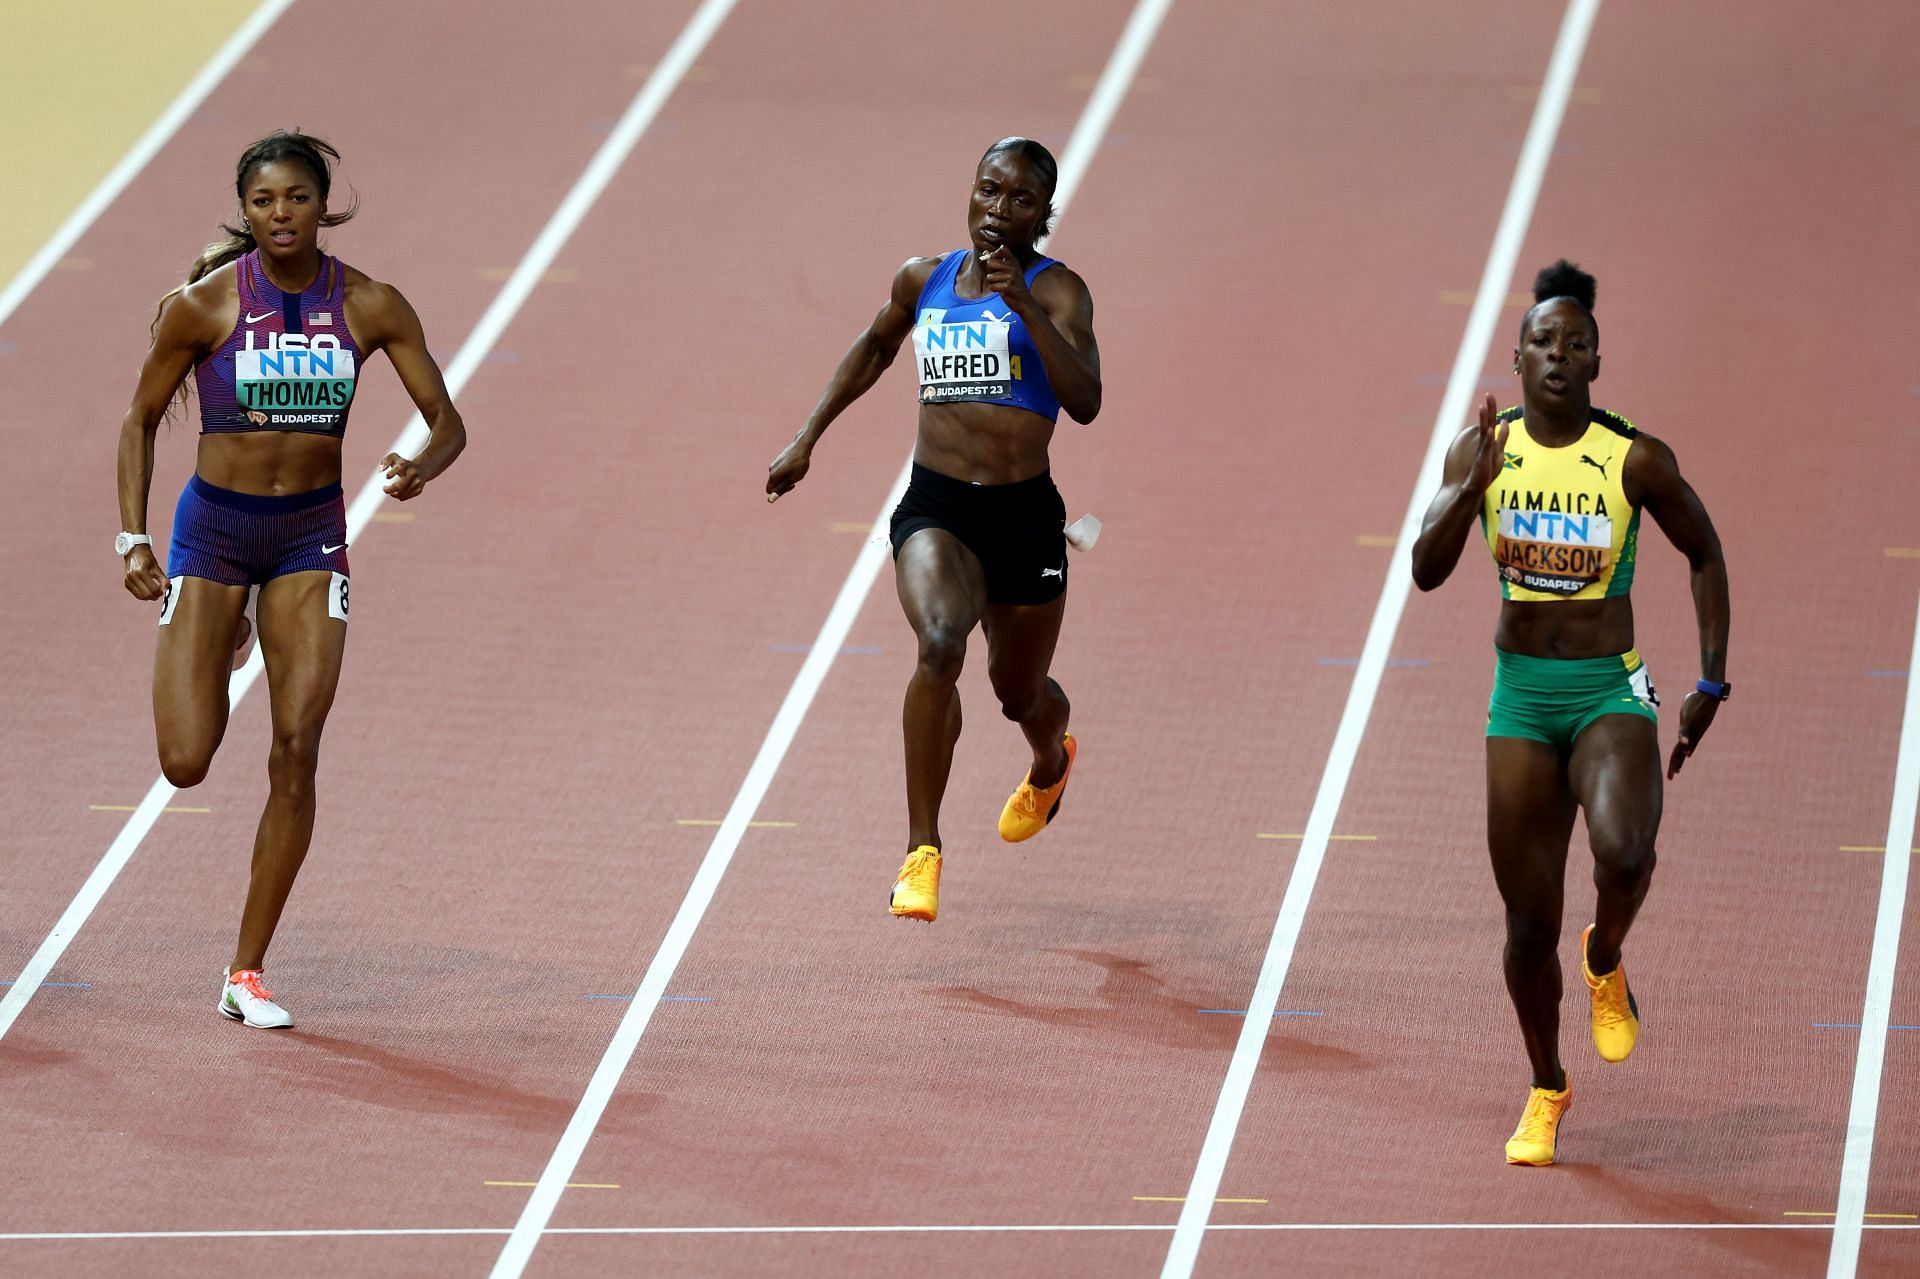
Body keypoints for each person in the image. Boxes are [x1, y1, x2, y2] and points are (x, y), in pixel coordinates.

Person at [114, 130, 466, 1027]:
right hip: (214, 538)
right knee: (186, 761)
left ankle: (246, 972)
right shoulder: (203, 307)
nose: (281, 215)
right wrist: (132, 538)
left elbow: (448, 419)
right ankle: (225, 622)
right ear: (246, 210)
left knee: (297, 747)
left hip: (309, 538)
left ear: (322, 203)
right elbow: (141, 419)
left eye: (298, 199)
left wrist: (423, 464)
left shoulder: (372, 304)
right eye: (265, 201)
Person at [1410, 260, 1729, 1165]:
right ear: (1516, 358)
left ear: (1596, 361)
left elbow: (1703, 550)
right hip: (1520, 698)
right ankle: (1547, 1084)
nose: (1558, 354)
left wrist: (1711, 681)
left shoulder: (1632, 458)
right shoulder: (1480, 451)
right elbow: (1425, 571)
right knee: (1523, 928)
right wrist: (1474, 488)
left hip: (1604, 690)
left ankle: (1606, 955)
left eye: (1575, 343)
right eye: (1542, 341)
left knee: (1626, 854)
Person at [766, 137, 1101, 923]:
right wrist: (807, 437)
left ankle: (1051, 759)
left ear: (1041, 215)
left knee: (1018, 693)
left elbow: (1085, 399)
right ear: (972, 192)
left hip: (1024, 517)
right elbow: (877, 344)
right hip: (939, 508)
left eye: (1019, 199)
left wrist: (1020, 304)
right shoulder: (925, 279)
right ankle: (922, 851)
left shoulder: (1058, 293)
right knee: (941, 641)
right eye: (988, 190)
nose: (998, 209)